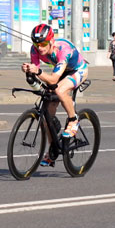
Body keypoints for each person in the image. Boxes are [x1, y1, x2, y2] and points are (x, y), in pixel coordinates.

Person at [21, 24, 89, 167]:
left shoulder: (63, 50)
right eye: (36, 43)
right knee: (46, 117)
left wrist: (38, 72)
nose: (40, 47)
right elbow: (37, 72)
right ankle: (53, 150)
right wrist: (29, 71)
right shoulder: (35, 49)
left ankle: (73, 120)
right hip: (60, 71)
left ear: (51, 41)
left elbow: (52, 79)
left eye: (44, 43)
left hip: (77, 70)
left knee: (60, 90)